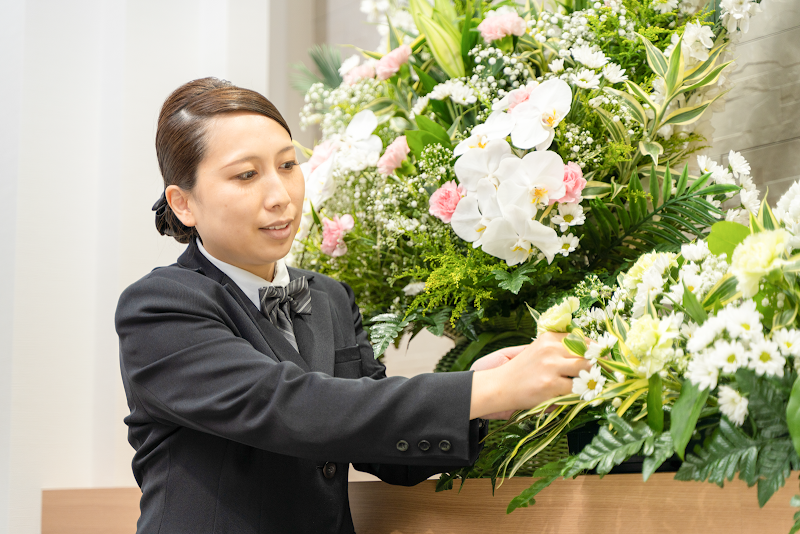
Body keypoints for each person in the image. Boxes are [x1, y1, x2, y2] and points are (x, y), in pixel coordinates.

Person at [115, 77, 591, 534]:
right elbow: (289, 406)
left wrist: (487, 402)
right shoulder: (158, 307)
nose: (281, 196)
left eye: (287, 165)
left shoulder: (329, 297)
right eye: (246, 175)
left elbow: (385, 447)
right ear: (183, 204)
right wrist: (485, 390)